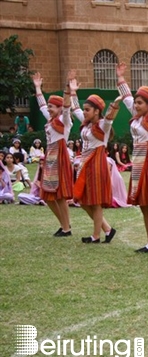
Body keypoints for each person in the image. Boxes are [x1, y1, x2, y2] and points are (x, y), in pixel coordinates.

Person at [117, 62, 148, 253]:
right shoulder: (137, 117)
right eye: (136, 103)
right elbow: (127, 98)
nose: (136, 106)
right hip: (137, 160)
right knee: (143, 204)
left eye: (140, 103)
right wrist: (120, 78)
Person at [73, 93, 120, 244]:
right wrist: (72, 92)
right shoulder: (87, 123)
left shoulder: (102, 125)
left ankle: (96, 236)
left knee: (95, 201)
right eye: (84, 109)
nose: (84, 112)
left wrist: (115, 105)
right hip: (85, 164)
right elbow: (75, 109)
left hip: (96, 164)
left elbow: (109, 119)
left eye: (87, 109)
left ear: (96, 111)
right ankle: (107, 229)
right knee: (83, 200)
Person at [33, 72, 74, 237]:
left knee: (60, 195)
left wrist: (67, 89)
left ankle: (66, 227)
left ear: (59, 108)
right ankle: (64, 225)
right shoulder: (50, 120)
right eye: (49, 106)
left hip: (60, 157)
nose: (49, 109)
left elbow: (66, 107)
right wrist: (37, 88)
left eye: (52, 106)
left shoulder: (65, 121)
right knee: (49, 196)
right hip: (50, 157)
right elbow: (42, 106)